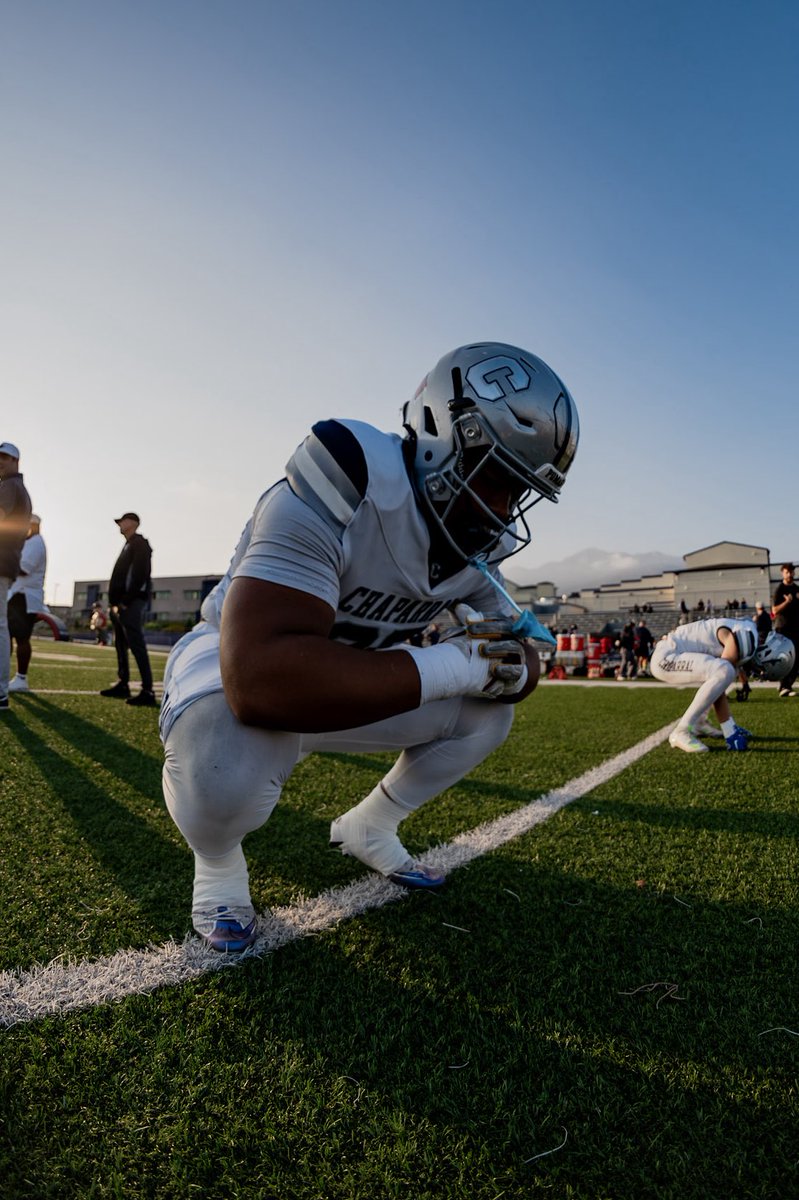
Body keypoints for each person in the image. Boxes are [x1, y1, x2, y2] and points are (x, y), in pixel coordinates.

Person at [159, 341, 580, 951]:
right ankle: (219, 863)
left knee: (488, 713)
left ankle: (372, 825)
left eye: (516, 492)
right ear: (442, 434)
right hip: (230, 664)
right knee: (223, 756)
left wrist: (511, 667)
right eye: (494, 478)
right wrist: (454, 664)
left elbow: (517, 661)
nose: (500, 509)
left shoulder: (476, 546)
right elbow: (259, 678)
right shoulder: (350, 472)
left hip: (351, 681)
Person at [651, 616, 794, 752]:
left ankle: (700, 723)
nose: (758, 672)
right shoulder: (747, 639)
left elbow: (719, 683)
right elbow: (722, 676)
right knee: (724, 670)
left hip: (672, 652)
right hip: (666, 658)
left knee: (724, 671)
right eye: (763, 669)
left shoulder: (748, 630)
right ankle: (681, 730)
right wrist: (730, 731)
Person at [100, 512, 157, 707]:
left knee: (136, 644)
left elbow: (140, 574)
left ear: (132, 523)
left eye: (122, 521)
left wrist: (126, 600)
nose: (119, 525)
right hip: (120, 604)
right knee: (120, 644)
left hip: (130, 603)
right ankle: (123, 682)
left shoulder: (139, 544)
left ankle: (148, 690)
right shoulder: (128, 544)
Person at [0, 442, 32, 711]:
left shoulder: (9, 486)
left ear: (15, 461)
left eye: (5, 457)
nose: (0, 461)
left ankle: (0, 691)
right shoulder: (14, 487)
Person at [7, 514, 46, 692]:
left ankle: (21, 678)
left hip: (24, 596)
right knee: (7, 636)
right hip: (17, 595)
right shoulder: (29, 542)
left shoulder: (36, 543)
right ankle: (6, 674)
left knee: (21, 638)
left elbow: (23, 568)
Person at [772, 563, 799, 698]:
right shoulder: (780, 589)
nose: (789, 574)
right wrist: (787, 602)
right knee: (785, 657)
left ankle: (785, 684)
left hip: (796, 628)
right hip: (782, 628)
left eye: (791, 572)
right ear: (783, 573)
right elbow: (774, 610)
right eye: (787, 572)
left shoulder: (796, 589)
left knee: (796, 657)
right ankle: (785, 686)